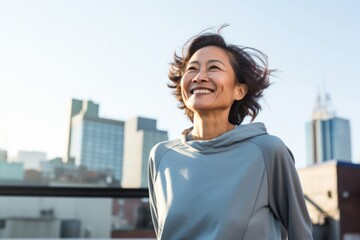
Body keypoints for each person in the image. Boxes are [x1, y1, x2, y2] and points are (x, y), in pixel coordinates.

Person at [148, 27, 313, 240]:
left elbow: (301, 234)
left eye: (214, 68)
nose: (199, 77)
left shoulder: (268, 152)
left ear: (239, 90)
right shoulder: (161, 156)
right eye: (192, 69)